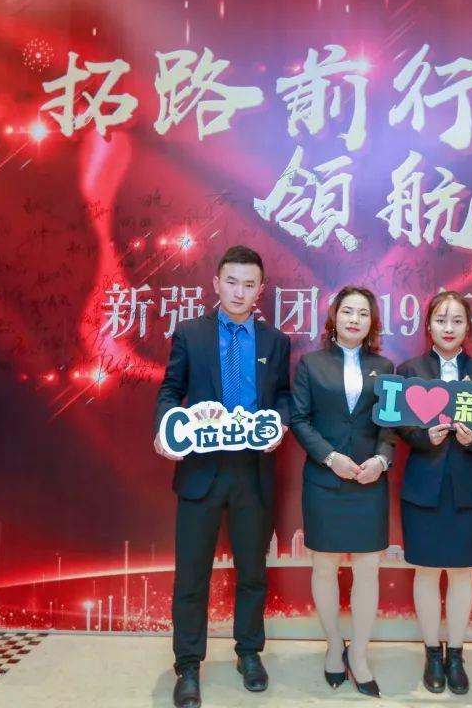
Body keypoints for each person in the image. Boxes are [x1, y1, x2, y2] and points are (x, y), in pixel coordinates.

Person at [153, 245, 291, 708]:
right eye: (231, 282)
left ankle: (249, 653)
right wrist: (167, 430)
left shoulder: (275, 341)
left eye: (249, 284)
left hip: (253, 470)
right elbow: (170, 391)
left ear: (260, 290)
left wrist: (280, 424)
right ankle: (188, 665)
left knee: (253, 571)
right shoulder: (190, 333)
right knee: (192, 575)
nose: (239, 292)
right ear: (216, 283)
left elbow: (285, 396)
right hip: (201, 470)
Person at [290, 286, 396, 698]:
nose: (355, 319)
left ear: (372, 322)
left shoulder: (384, 366)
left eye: (363, 313)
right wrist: (330, 457)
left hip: (369, 481)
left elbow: (391, 424)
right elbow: (299, 420)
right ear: (334, 317)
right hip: (325, 480)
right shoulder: (311, 364)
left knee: (368, 569)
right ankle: (334, 646)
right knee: (324, 567)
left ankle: (361, 654)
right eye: (348, 311)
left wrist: (382, 460)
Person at [395, 291, 472, 695]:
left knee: (461, 573)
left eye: (457, 321)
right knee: (425, 571)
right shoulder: (410, 369)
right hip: (423, 485)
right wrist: (423, 436)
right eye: (441, 320)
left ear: (468, 327)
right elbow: (398, 423)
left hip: (468, 486)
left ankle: (456, 654)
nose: (448, 328)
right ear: (428, 326)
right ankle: (431, 654)